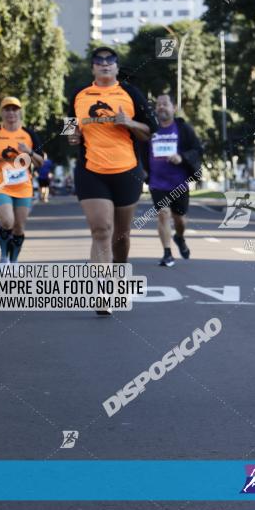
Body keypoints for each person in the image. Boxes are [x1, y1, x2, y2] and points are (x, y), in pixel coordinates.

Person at [66, 47, 155, 314]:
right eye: (99, 62)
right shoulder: (80, 95)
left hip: (127, 171)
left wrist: (129, 123)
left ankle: (118, 273)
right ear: (92, 68)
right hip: (91, 170)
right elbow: (69, 122)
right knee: (101, 230)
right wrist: (71, 136)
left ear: (116, 68)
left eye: (110, 61)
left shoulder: (131, 94)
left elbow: (150, 132)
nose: (105, 65)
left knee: (120, 236)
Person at [0, 97, 45, 264]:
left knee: (19, 227)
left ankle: (13, 260)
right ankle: (4, 256)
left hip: (23, 187)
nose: (11, 113)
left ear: (19, 112)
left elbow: (40, 162)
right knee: (7, 221)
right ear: (2, 112)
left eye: (14, 109)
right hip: (0, 185)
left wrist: (28, 151)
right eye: (7, 109)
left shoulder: (29, 134)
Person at [144, 93, 203, 267]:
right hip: (157, 181)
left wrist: (182, 157)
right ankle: (167, 253)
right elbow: (139, 148)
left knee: (180, 219)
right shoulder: (150, 129)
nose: (161, 107)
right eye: (158, 104)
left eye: (165, 104)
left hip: (179, 182)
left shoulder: (183, 128)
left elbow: (197, 150)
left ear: (174, 108)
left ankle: (180, 237)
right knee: (163, 214)